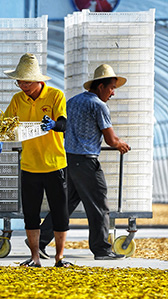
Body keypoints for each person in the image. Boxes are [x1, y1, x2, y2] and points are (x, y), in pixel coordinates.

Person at [39, 64, 131, 260]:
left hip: (69, 159)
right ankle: (102, 250)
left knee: (65, 205)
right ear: (100, 87)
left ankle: (39, 241)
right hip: (87, 162)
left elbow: (62, 127)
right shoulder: (99, 105)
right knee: (99, 205)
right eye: (111, 88)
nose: (113, 93)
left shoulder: (72, 102)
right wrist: (121, 144)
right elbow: (110, 140)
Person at [3, 53, 71, 268]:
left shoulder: (55, 95)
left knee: (60, 213)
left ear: (38, 80)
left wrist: (53, 125)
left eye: (26, 81)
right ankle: (35, 257)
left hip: (54, 164)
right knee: (30, 214)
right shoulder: (17, 99)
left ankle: (60, 258)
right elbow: (6, 124)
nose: (23, 85)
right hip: (30, 165)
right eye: (20, 81)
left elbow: (63, 124)